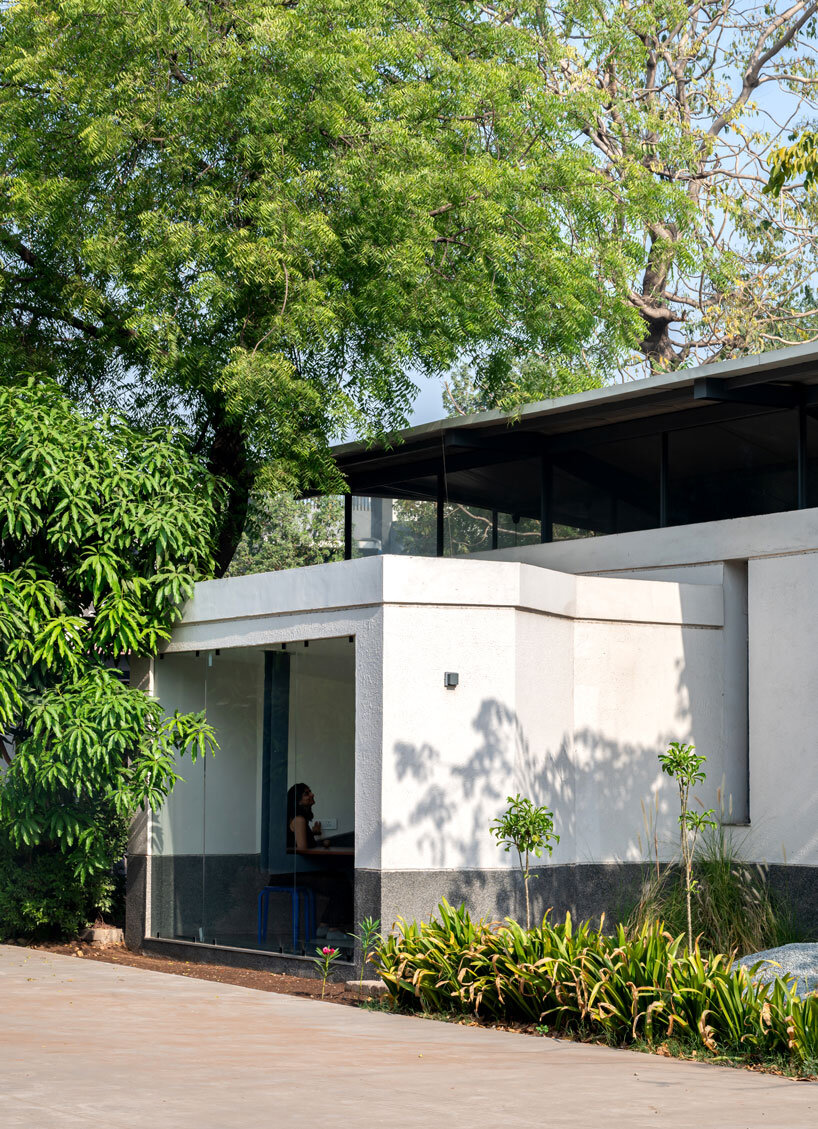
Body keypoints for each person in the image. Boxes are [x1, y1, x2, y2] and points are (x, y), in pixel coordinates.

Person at [282, 782, 352, 942]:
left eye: (310, 791)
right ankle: (332, 928)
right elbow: (302, 848)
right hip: (295, 873)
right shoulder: (299, 819)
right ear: (298, 800)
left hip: (294, 871)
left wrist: (314, 834)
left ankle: (324, 925)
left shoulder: (299, 819)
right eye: (307, 793)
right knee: (340, 884)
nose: (312, 794)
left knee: (340, 880)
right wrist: (318, 844)